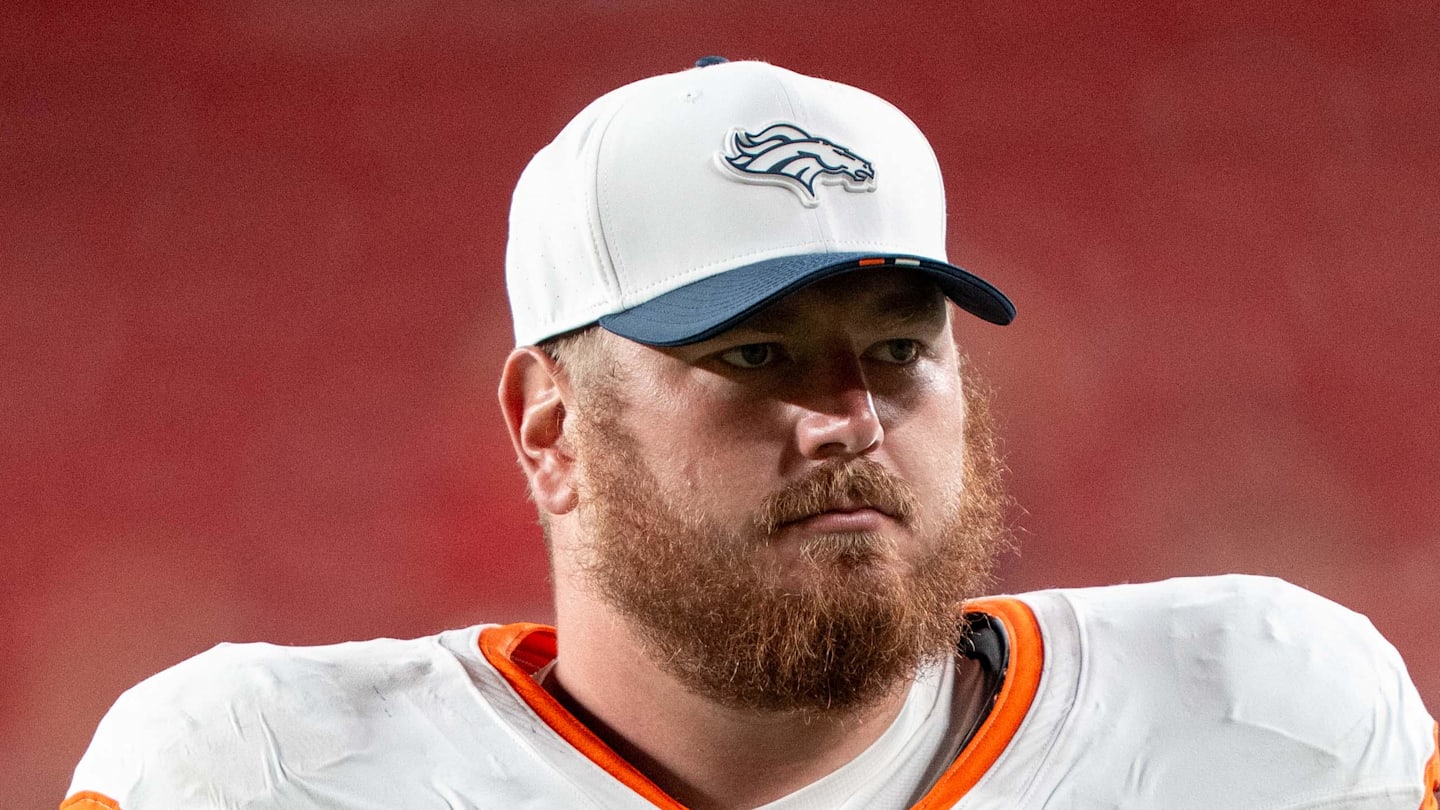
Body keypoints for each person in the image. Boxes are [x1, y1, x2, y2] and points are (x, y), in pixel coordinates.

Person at [64, 58, 1437, 810]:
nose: (850, 420)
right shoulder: (254, 773)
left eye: (899, 351)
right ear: (550, 427)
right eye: (754, 355)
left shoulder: (1272, 721)